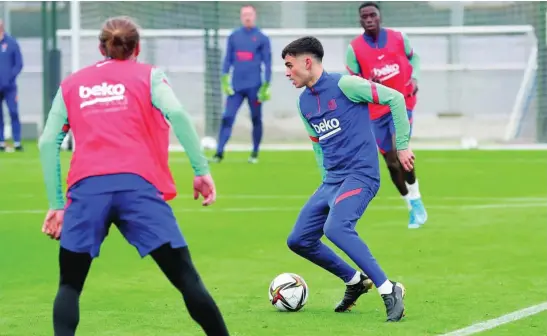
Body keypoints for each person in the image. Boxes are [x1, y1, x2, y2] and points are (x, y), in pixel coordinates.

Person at [38, 16, 230, 336]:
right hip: (137, 188)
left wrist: (57, 204)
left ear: (101, 47)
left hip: (87, 191)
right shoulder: (149, 76)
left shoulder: (72, 84)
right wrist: (201, 171)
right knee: (186, 279)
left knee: (69, 286)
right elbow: (178, 114)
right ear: (137, 48)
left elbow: (47, 142)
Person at [283, 36, 412, 322]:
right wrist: (325, 181)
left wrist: (402, 145)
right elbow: (318, 144)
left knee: (337, 228)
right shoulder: (304, 103)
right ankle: (355, 281)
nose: (287, 72)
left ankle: (389, 289)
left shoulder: (346, 85)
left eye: (290, 65)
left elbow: (395, 98)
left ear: (307, 62)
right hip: (332, 181)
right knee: (299, 240)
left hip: (361, 176)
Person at [345, 2, 427, 229]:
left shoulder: (399, 38)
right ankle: (410, 205)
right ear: (360, 20)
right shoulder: (354, 49)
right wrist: (369, 85)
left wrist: (416, 77)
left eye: (373, 15)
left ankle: (417, 198)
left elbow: (415, 58)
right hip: (375, 111)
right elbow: (353, 82)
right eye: (365, 16)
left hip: (401, 104)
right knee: (391, 163)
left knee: (401, 151)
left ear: (380, 17)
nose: (369, 19)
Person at [211, 4, 272, 164]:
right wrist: (225, 79)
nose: (247, 17)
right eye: (244, 14)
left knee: (256, 118)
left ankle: (255, 152)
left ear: (255, 16)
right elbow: (227, 60)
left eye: (250, 14)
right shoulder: (234, 36)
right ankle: (219, 153)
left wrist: (266, 85)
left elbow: (268, 63)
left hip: (255, 87)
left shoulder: (262, 38)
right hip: (236, 87)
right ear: (241, 17)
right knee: (227, 117)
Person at [0, 19, 23, 152]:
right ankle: (1, 142)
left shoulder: (11, 43)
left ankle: (17, 141)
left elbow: (19, 64)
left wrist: (9, 77)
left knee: (13, 112)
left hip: (10, 87)